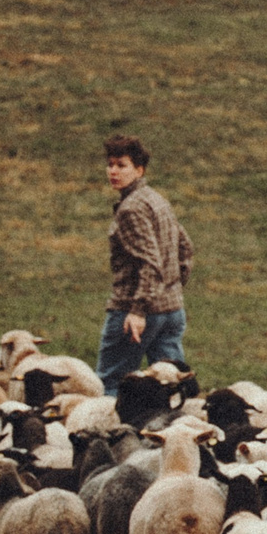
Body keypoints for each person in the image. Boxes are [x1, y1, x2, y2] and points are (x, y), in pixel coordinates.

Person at [95, 134, 195, 388]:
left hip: (135, 313)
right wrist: (171, 289)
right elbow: (185, 248)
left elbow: (150, 262)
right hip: (171, 311)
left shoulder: (131, 209)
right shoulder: (157, 199)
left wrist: (139, 309)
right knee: (172, 386)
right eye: (110, 164)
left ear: (139, 170)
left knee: (113, 383)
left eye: (122, 165)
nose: (113, 171)